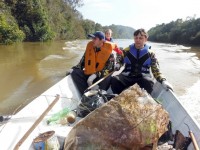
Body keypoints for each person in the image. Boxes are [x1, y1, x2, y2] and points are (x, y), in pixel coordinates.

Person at [110, 28, 173, 95]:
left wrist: (163, 80)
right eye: (136, 38)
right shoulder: (126, 51)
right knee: (115, 80)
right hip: (127, 77)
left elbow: (156, 70)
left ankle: (141, 97)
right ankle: (120, 96)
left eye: (140, 38)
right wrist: (118, 64)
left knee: (148, 83)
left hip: (142, 79)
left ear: (146, 39)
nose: (138, 40)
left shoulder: (151, 54)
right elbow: (120, 61)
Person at [69, 31, 121, 95]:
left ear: (101, 40)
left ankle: (100, 95)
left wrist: (96, 74)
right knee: (75, 72)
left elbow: (109, 70)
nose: (92, 40)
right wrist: (73, 69)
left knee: (108, 78)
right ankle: (85, 94)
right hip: (89, 73)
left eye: (95, 39)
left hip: (100, 77)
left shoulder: (109, 54)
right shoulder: (90, 49)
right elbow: (81, 63)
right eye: (92, 38)